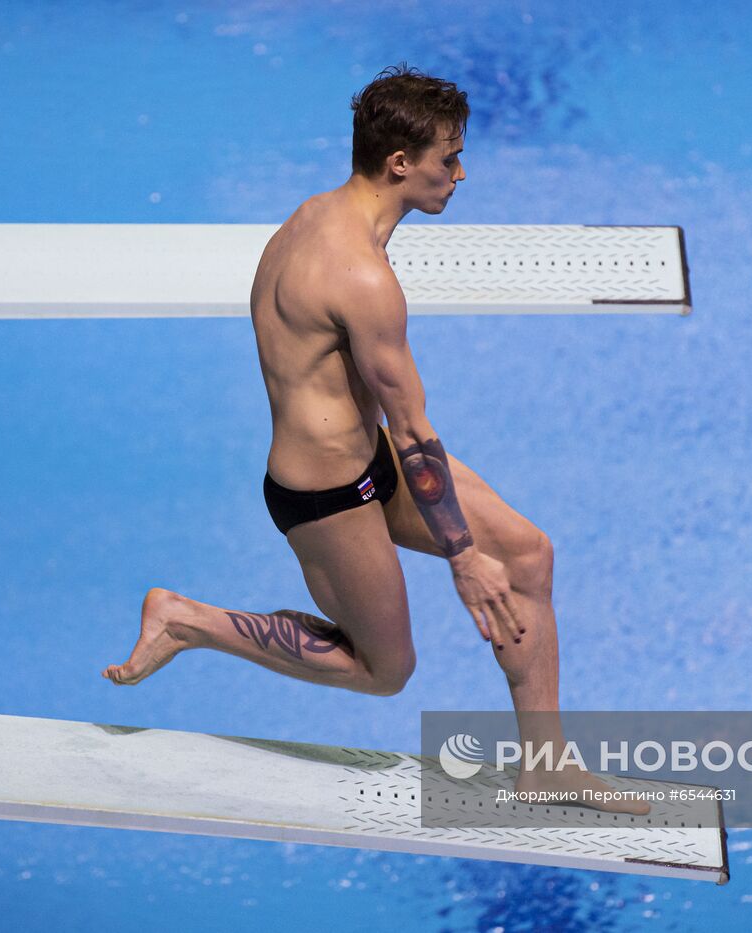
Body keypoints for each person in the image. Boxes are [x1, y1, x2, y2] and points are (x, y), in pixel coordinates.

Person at [103, 63, 646, 815]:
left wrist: (481, 552)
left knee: (526, 554)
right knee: (383, 669)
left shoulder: (315, 213)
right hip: (324, 494)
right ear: (400, 163)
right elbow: (413, 429)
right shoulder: (359, 274)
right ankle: (190, 619)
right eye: (448, 158)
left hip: (367, 459)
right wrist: (462, 558)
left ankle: (547, 765)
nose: (461, 172)